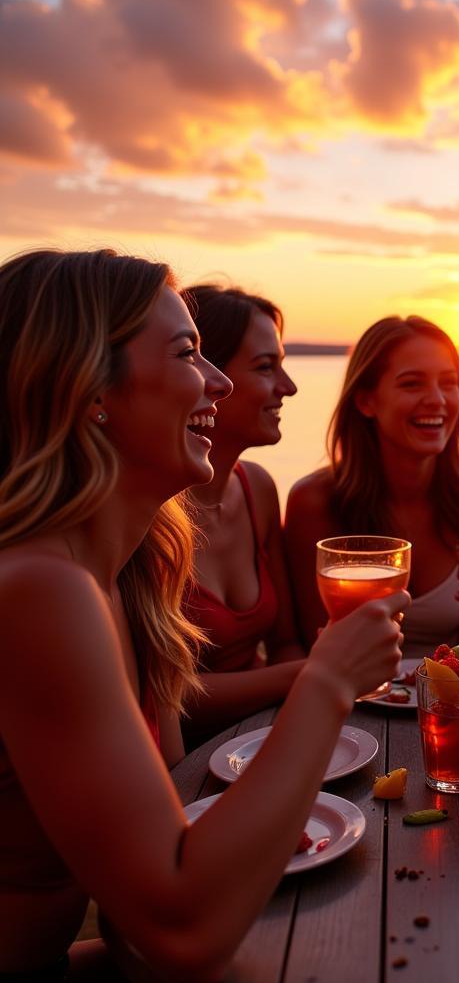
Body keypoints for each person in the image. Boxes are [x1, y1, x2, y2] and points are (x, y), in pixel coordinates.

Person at [0, 250, 407, 983]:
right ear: (89, 388)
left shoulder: (118, 572)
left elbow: (172, 836)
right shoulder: (39, 591)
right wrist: (326, 682)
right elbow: (187, 936)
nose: (217, 380)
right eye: (189, 354)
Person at [285, 315, 459, 657]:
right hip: (347, 700)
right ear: (366, 401)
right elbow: (312, 648)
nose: (437, 399)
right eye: (412, 384)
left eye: (448, 383)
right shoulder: (314, 501)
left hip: (445, 699)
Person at [180, 283, 303, 742]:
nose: (288, 387)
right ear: (205, 375)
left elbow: (286, 642)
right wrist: (322, 673)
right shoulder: (148, 514)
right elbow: (166, 698)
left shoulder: (259, 490)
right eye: (266, 367)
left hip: (260, 738)